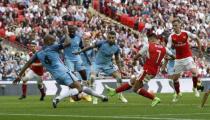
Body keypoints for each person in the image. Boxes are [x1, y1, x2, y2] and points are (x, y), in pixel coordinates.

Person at [13, 28, 108, 108]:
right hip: (64, 72)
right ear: (49, 42)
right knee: (79, 88)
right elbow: (68, 43)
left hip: (56, 76)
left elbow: (27, 64)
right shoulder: (53, 47)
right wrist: (66, 33)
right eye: (53, 40)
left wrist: (19, 76)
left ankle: (102, 97)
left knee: (81, 87)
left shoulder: (38, 53)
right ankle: (58, 98)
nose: (55, 41)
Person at [105, 31, 175, 107]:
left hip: (146, 70)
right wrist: (167, 58)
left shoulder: (148, 46)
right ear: (157, 40)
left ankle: (155, 98)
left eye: (149, 40)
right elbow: (174, 57)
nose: (148, 42)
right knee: (133, 81)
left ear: (151, 40)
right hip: (154, 72)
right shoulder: (164, 49)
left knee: (135, 88)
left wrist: (133, 61)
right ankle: (114, 92)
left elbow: (137, 56)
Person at [74, 31, 128, 104]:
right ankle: (95, 97)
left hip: (108, 65)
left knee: (119, 77)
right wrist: (80, 52)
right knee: (92, 78)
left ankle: (120, 95)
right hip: (97, 64)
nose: (111, 39)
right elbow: (90, 47)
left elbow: (117, 59)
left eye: (113, 38)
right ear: (107, 37)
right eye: (109, 38)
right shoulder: (101, 43)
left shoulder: (116, 48)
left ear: (115, 38)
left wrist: (121, 70)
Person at [167, 19, 204, 102]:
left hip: (187, 57)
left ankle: (195, 88)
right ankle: (177, 93)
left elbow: (197, 39)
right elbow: (168, 48)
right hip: (178, 60)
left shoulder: (186, 33)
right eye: (173, 26)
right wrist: (167, 55)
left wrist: (200, 50)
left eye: (176, 25)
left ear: (180, 25)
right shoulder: (171, 36)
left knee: (195, 72)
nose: (174, 27)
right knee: (175, 79)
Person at [62, 25, 91, 102]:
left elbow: (82, 48)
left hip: (77, 58)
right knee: (71, 77)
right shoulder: (64, 38)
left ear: (75, 30)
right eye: (70, 30)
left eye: (73, 30)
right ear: (67, 30)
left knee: (84, 74)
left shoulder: (78, 38)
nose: (71, 31)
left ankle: (84, 93)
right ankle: (72, 95)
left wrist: (87, 58)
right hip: (68, 59)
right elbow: (59, 47)